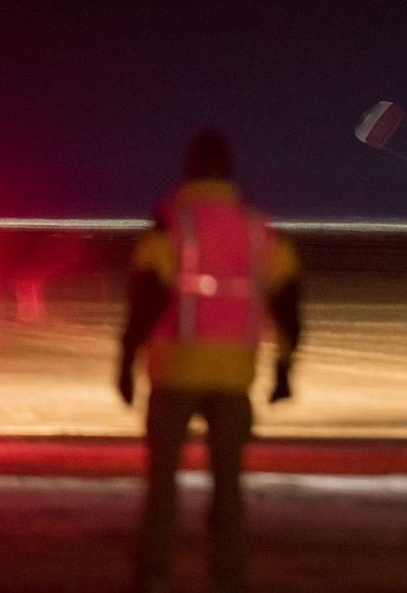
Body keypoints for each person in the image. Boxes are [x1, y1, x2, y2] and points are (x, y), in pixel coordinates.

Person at [117, 130, 303, 593]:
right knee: (229, 487)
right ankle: (228, 575)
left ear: (188, 171)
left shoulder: (171, 226)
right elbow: (289, 306)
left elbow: (144, 302)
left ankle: (153, 574)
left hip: (175, 371)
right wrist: (284, 369)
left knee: (161, 486)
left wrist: (123, 363)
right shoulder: (259, 231)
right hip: (234, 377)